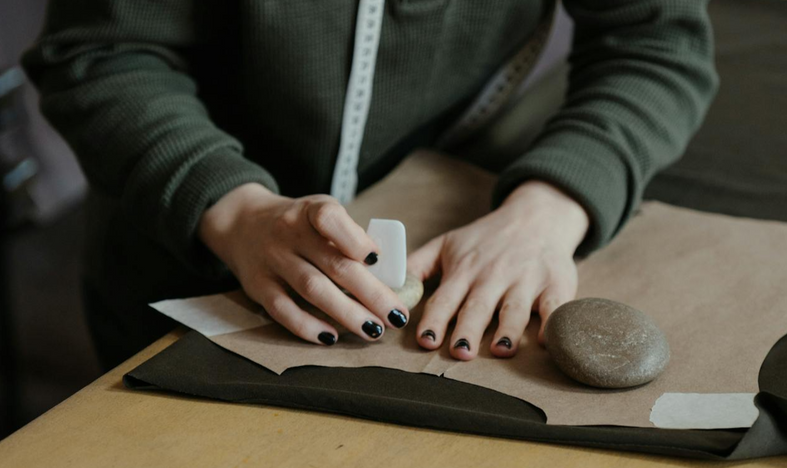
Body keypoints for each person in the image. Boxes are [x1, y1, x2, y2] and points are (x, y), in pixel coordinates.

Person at [22, 0, 718, 369]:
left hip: (445, 200)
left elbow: (657, 44)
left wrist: (550, 208)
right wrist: (232, 212)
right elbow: (102, 53)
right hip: (183, 245)